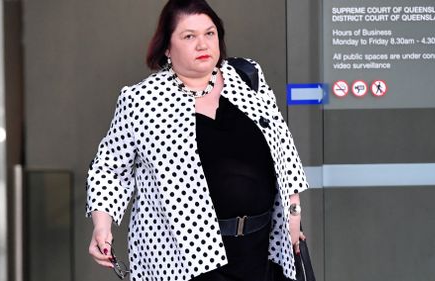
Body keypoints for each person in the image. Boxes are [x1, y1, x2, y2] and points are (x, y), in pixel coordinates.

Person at [86, 0, 309, 280]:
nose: (202, 44)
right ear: (167, 47)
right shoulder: (142, 100)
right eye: (189, 36)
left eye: (210, 33)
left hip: (260, 249)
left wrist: (293, 211)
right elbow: (109, 169)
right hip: (181, 258)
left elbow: (283, 148)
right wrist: (102, 226)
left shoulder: (247, 77)